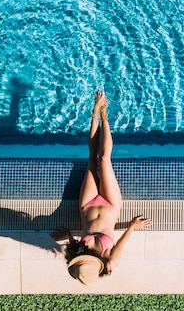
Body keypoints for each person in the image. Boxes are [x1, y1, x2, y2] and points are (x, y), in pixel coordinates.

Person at [52, 91, 152, 285]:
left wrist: (69, 236)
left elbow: (74, 244)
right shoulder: (110, 261)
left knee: (92, 158)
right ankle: (104, 115)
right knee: (104, 160)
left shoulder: (78, 253)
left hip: (87, 205)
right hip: (111, 205)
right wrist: (132, 225)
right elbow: (121, 244)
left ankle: (95, 111)